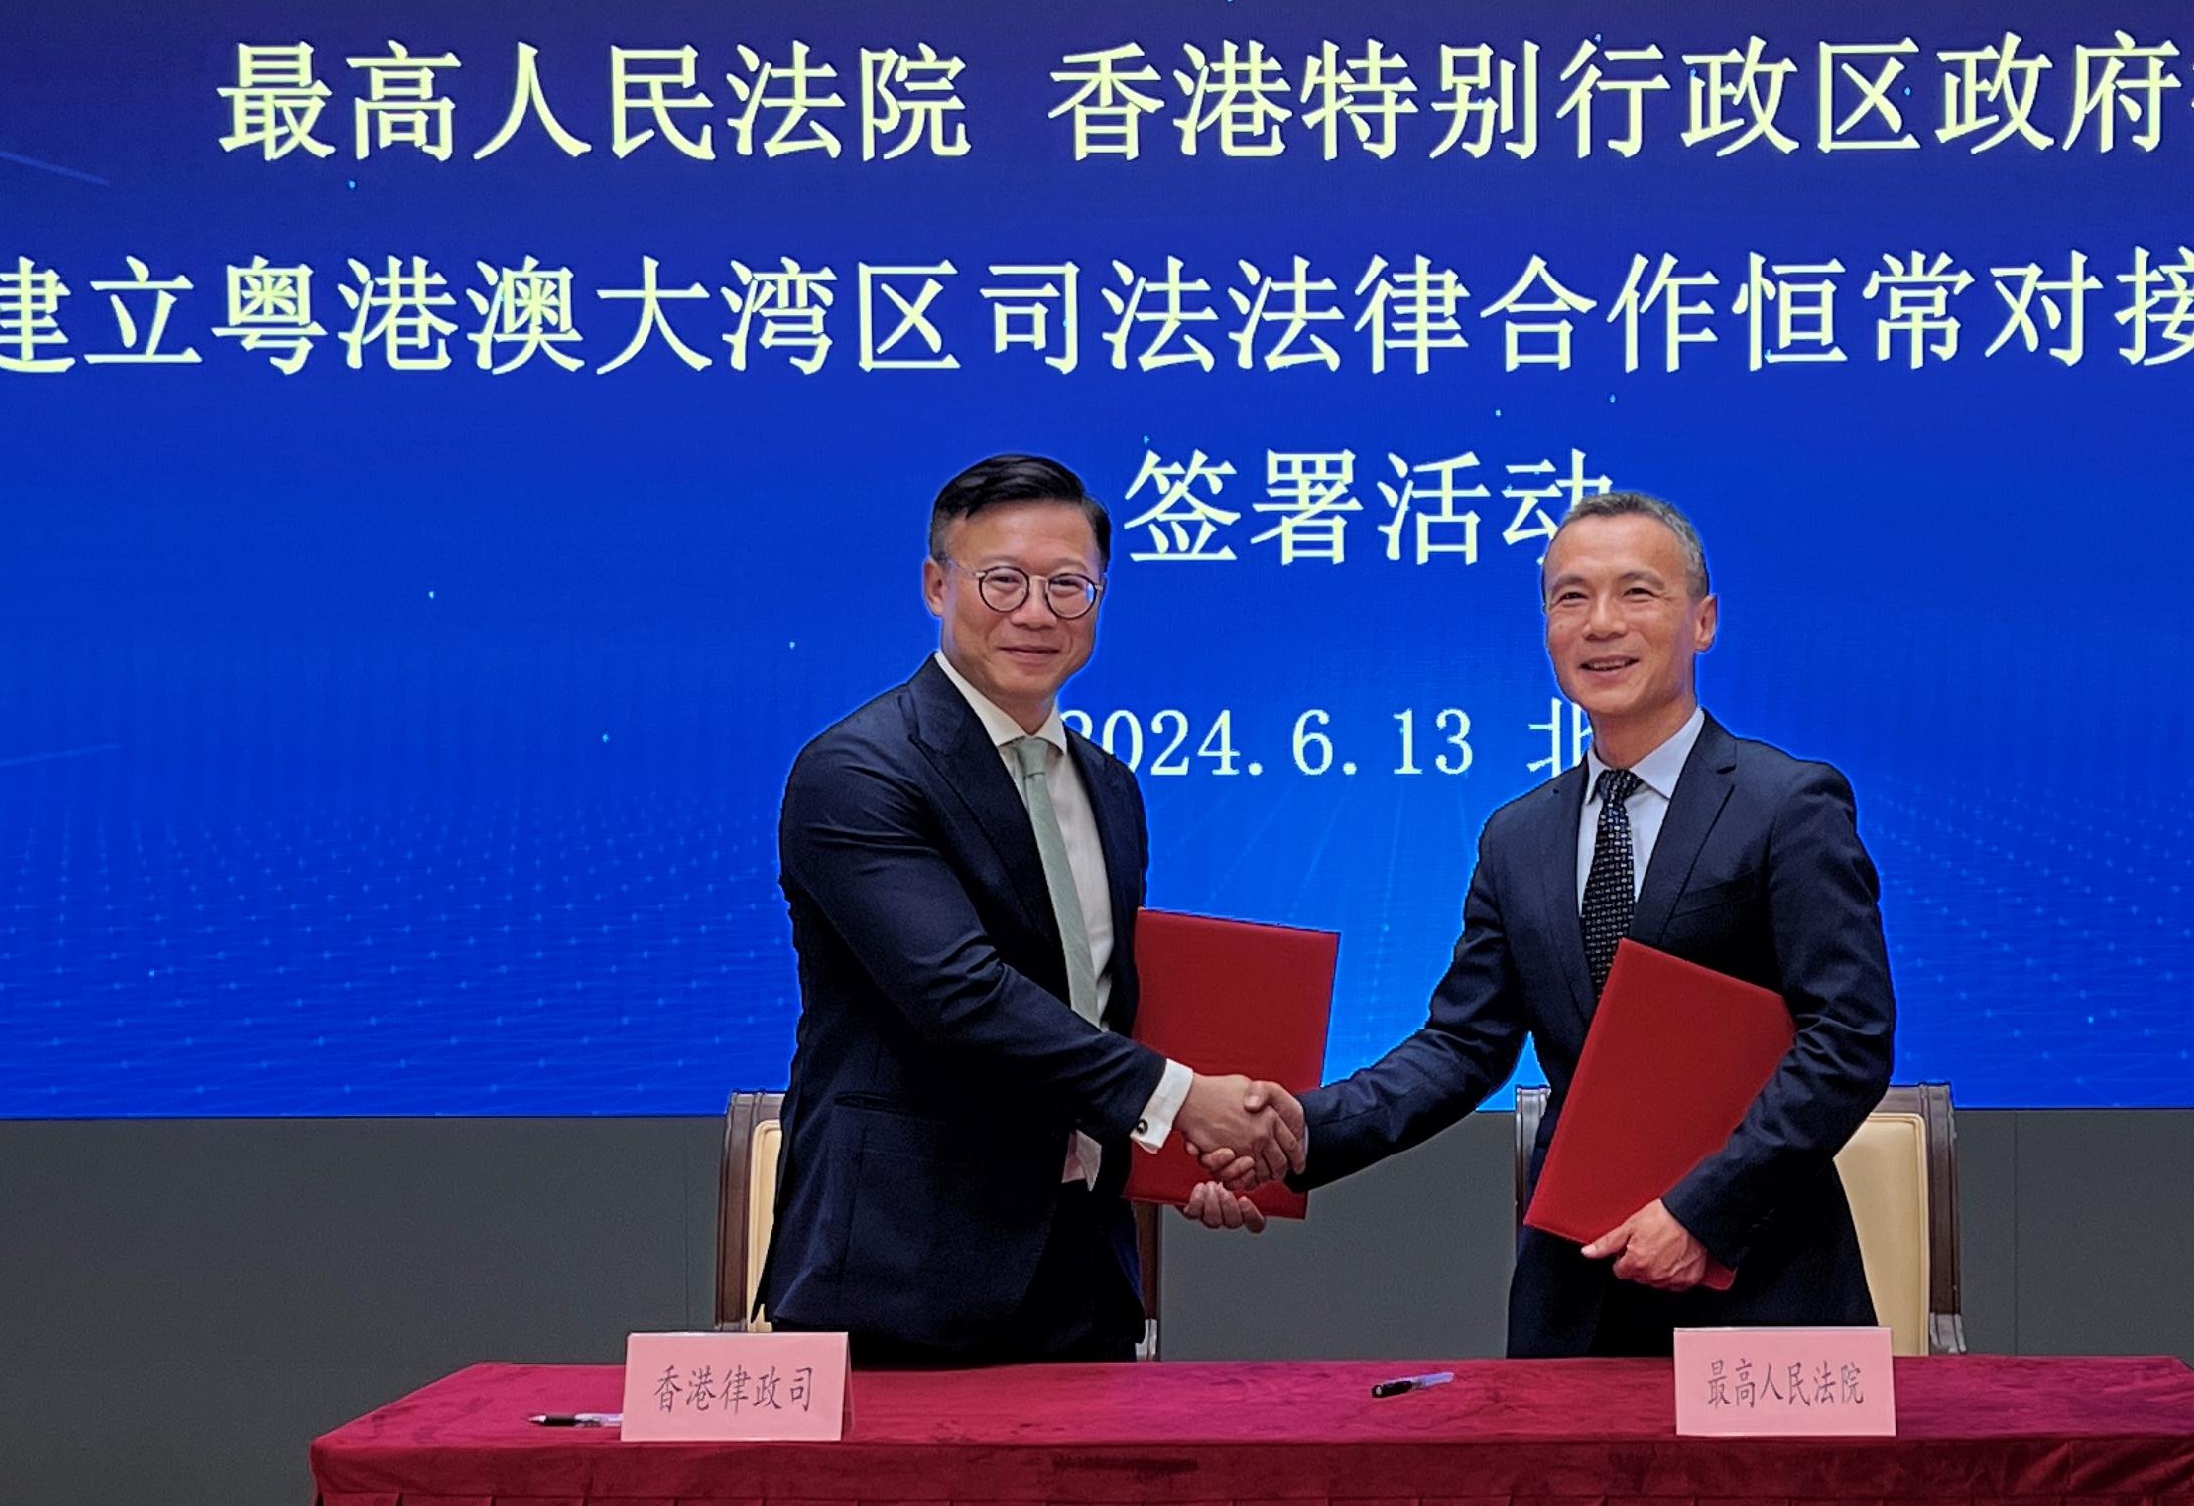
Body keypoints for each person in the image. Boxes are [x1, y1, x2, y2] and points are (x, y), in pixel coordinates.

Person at [1185, 490, 1896, 1358]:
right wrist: (1298, 1132)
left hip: (1763, 1281)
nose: (1601, 624)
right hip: (1579, 1292)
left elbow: (1847, 1037)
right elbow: (1461, 1046)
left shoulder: (1787, 804)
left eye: (1638, 593)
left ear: (1703, 622)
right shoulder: (1518, 835)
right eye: (1570, 597)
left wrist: (1701, 1210)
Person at [762, 452, 1297, 1364]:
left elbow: (1101, 1008)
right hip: (902, 1270)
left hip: (1083, 1265)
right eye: (1001, 580)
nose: (1036, 612)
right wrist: (1183, 1105)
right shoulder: (858, 770)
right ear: (938, 585)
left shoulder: (1108, 785)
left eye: (1069, 586)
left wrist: (1197, 1162)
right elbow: (961, 995)